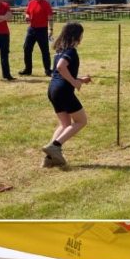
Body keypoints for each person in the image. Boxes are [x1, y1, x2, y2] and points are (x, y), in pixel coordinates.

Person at [42, 22, 92, 168]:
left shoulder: (59, 51)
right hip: (63, 91)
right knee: (81, 121)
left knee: (65, 124)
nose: (82, 37)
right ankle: (55, 146)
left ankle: (50, 158)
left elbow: (60, 72)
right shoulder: (70, 51)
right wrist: (74, 82)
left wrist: (80, 79)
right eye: (81, 34)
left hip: (53, 90)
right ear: (76, 35)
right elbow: (61, 67)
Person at [20, 0, 54, 77]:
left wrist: (50, 29)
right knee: (27, 48)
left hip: (42, 30)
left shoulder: (46, 4)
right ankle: (28, 69)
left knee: (45, 51)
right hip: (31, 29)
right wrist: (27, 16)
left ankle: (47, 70)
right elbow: (27, 13)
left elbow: (50, 17)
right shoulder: (31, 3)